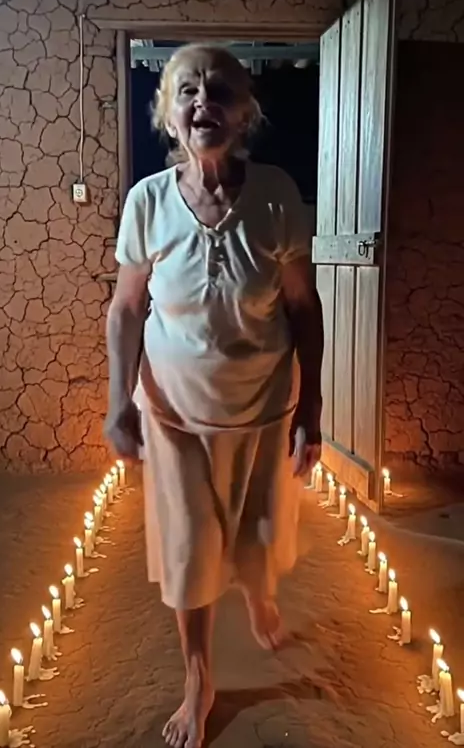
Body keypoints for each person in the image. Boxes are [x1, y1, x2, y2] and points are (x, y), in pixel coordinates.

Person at [105, 44, 323, 748]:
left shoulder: (277, 194)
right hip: (175, 410)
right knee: (191, 548)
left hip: (263, 404)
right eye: (188, 91)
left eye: (221, 91)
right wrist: (118, 402)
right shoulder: (147, 201)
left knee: (258, 536)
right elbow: (126, 309)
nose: (205, 102)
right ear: (168, 115)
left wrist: (313, 409)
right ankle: (199, 679)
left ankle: (259, 594)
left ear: (245, 112)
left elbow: (303, 307)